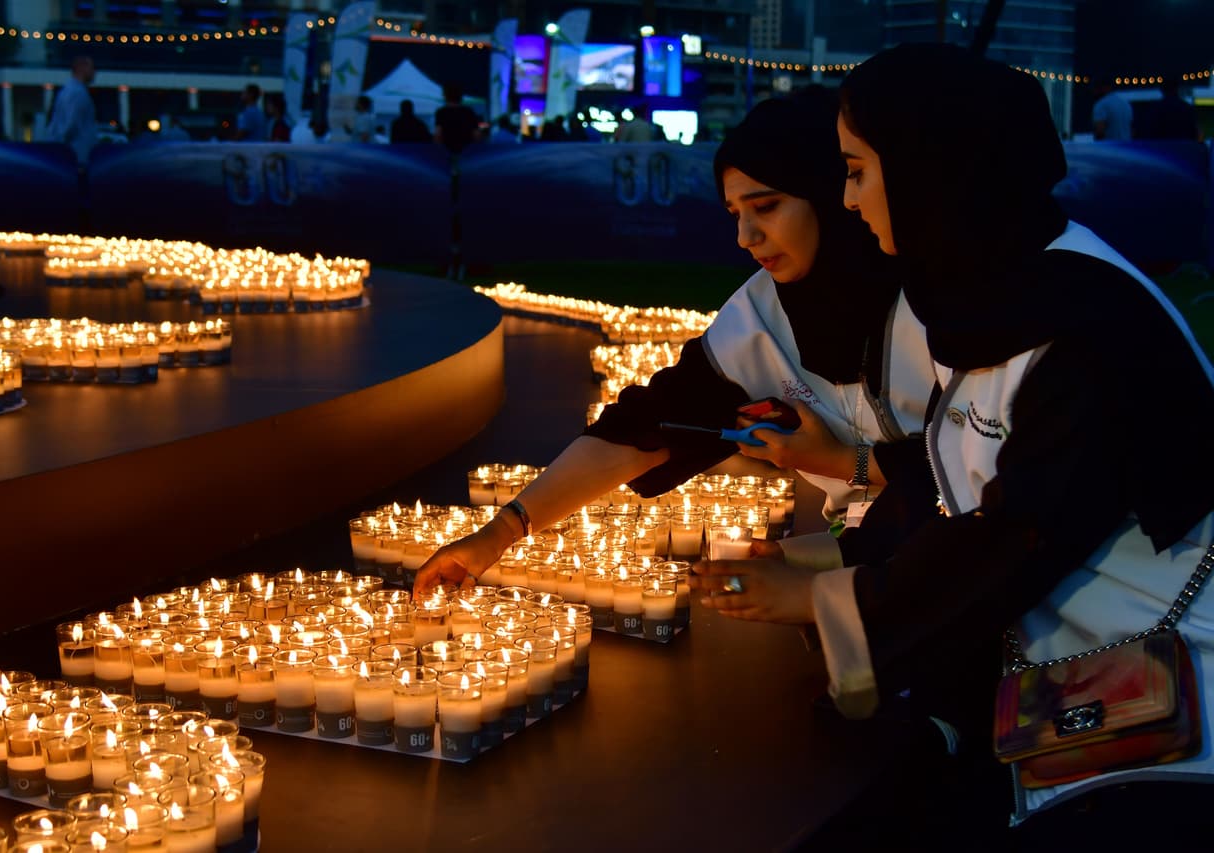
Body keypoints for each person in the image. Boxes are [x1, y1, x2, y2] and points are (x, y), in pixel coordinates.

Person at [692, 43, 1214, 844]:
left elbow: (1017, 533)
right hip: (1073, 693)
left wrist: (825, 600)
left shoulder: (1086, 321)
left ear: (931, 169)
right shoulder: (990, 297)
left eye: (857, 171)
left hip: (1168, 722)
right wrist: (825, 557)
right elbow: (953, 473)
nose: (848, 198)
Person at [415, 88, 936, 596]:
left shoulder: (937, 306)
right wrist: (501, 532)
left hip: (951, 566)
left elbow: (967, 466)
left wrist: (845, 462)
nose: (746, 237)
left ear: (827, 192)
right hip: (857, 556)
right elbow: (645, 427)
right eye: (735, 215)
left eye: (767, 206)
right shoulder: (758, 318)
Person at [45, 55, 99, 166]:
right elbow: (70, 125)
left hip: (72, 156)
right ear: (82, 68)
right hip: (76, 157)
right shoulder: (77, 93)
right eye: (92, 68)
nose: (95, 72)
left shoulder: (67, 91)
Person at [1137, 79, 1201, 141]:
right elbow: (1194, 133)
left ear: (1162, 90)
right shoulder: (1188, 109)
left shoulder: (1155, 109)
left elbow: (1149, 133)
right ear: (1177, 89)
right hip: (1183, 146)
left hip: (1161, 146)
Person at [435, 82, 481, 153]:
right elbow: (476, 134)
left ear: (445, 96)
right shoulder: (468, 112)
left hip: (448, 151)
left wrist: (439, 151)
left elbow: (438, 134)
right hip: (467, 151)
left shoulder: (441, 112)